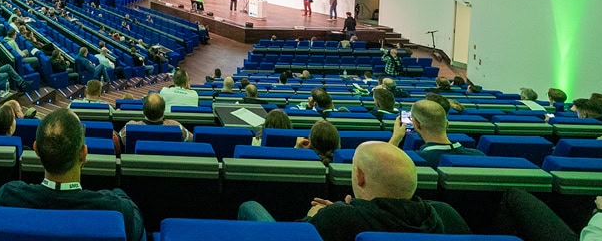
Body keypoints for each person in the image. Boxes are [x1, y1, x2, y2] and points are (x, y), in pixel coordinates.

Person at [238, 141, 471, 241]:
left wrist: (312, 219)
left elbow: (291, 237)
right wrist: (350, 210)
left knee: (249, 207)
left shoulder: (339, 219)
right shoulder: (446, 214)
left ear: (360, 176)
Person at [0, 109, 145, 241]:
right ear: (84, 154)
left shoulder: (6, 196)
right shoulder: (118, 210)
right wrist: (119, 193)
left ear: (36, 149)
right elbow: (138, 228)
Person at [388, 99, 484, 168]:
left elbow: (383, 163)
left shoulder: (409, 160)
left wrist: (395, 137)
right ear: (447, 124)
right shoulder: (479, 156)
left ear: (417, 124)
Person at [119, 93, 192, 143]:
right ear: (163, 111)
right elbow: (192, 139)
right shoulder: (176, 127)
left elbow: (120, 140)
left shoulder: (129, 127)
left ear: (143, 111)